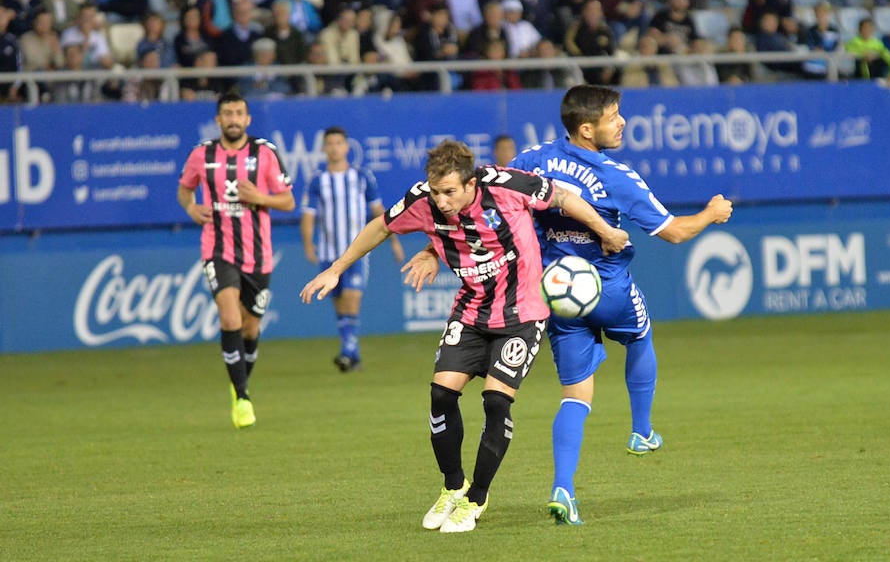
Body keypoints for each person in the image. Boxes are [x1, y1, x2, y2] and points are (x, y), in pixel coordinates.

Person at [302, 139, 629, 533]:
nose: (440, 201)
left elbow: (562, 197)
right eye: (436, 191)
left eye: (449, 192)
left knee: (495, 400)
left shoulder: (507, 185)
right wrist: (337, 268)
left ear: (471, 184)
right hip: (472, 311)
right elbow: (381, 227)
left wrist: (606, 231)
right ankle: (453, 487)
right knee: (441, 395)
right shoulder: (423, 199)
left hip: (523, 314)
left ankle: (476, 499)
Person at [501, 84, 733, 525]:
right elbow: (675, 233)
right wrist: (710, 214)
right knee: (641, 336)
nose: (622, 122)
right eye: (613, 116)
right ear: (587, 129)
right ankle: (641, 432)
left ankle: (563, 489)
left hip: (558, 295)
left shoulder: (532, 158)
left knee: (575, 396)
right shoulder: (614, 176)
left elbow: (496, 198)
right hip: (607, 288)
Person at [177, 90, 296, 429]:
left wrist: (260, 197)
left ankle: (238, 382)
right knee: (229, 318)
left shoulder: (265, 153)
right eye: (227, 113)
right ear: (218, 119)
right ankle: (242, 396)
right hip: (218, 249)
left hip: (258, 254)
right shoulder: (202, 154)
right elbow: (184, 188)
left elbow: (288, 201)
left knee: (250, 327)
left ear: (248, 119)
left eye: (238, 113)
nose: (233, 119)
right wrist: (189, 207)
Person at [301, 126, 405, 372]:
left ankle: (347, 352)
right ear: (324, 148)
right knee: (339, 304)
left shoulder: (362, 176)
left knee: (351, 299)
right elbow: (308, 214)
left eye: (339, 142)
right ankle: (353, 355)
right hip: (328, 252)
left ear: (347, 147)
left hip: (357, 253)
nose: (335, 147)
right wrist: (308, 243)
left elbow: (379, 211)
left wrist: (394, 240)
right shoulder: (318, 179)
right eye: (330, 143)